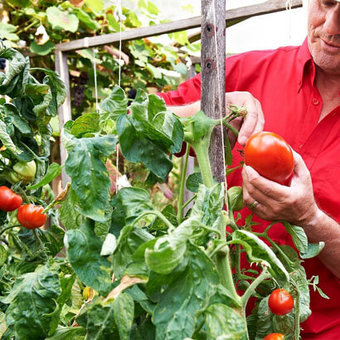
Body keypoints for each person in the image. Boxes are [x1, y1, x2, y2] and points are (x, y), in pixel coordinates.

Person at [157, 0, 340, 339]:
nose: (330, 26)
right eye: (326, 2)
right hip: (218, 321)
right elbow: (132, 130)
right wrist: (207, 110)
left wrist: (311, 220)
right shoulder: (241, 72)